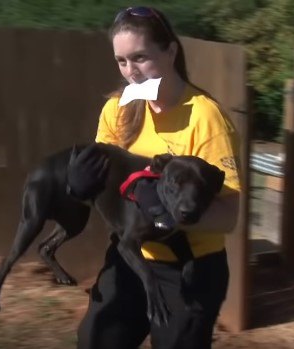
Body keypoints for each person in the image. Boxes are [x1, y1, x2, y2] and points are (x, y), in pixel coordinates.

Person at [67, 6, 242, 349]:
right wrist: (78, 186)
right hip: (132, 255)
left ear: (171, 51)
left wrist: (168, 212)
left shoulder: (205, 118)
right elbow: (103, 183)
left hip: (189, 268)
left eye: (141, 57)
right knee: (96, 340)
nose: (131, 72)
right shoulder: (117, 110)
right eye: (121, 61)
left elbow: (228, 216)